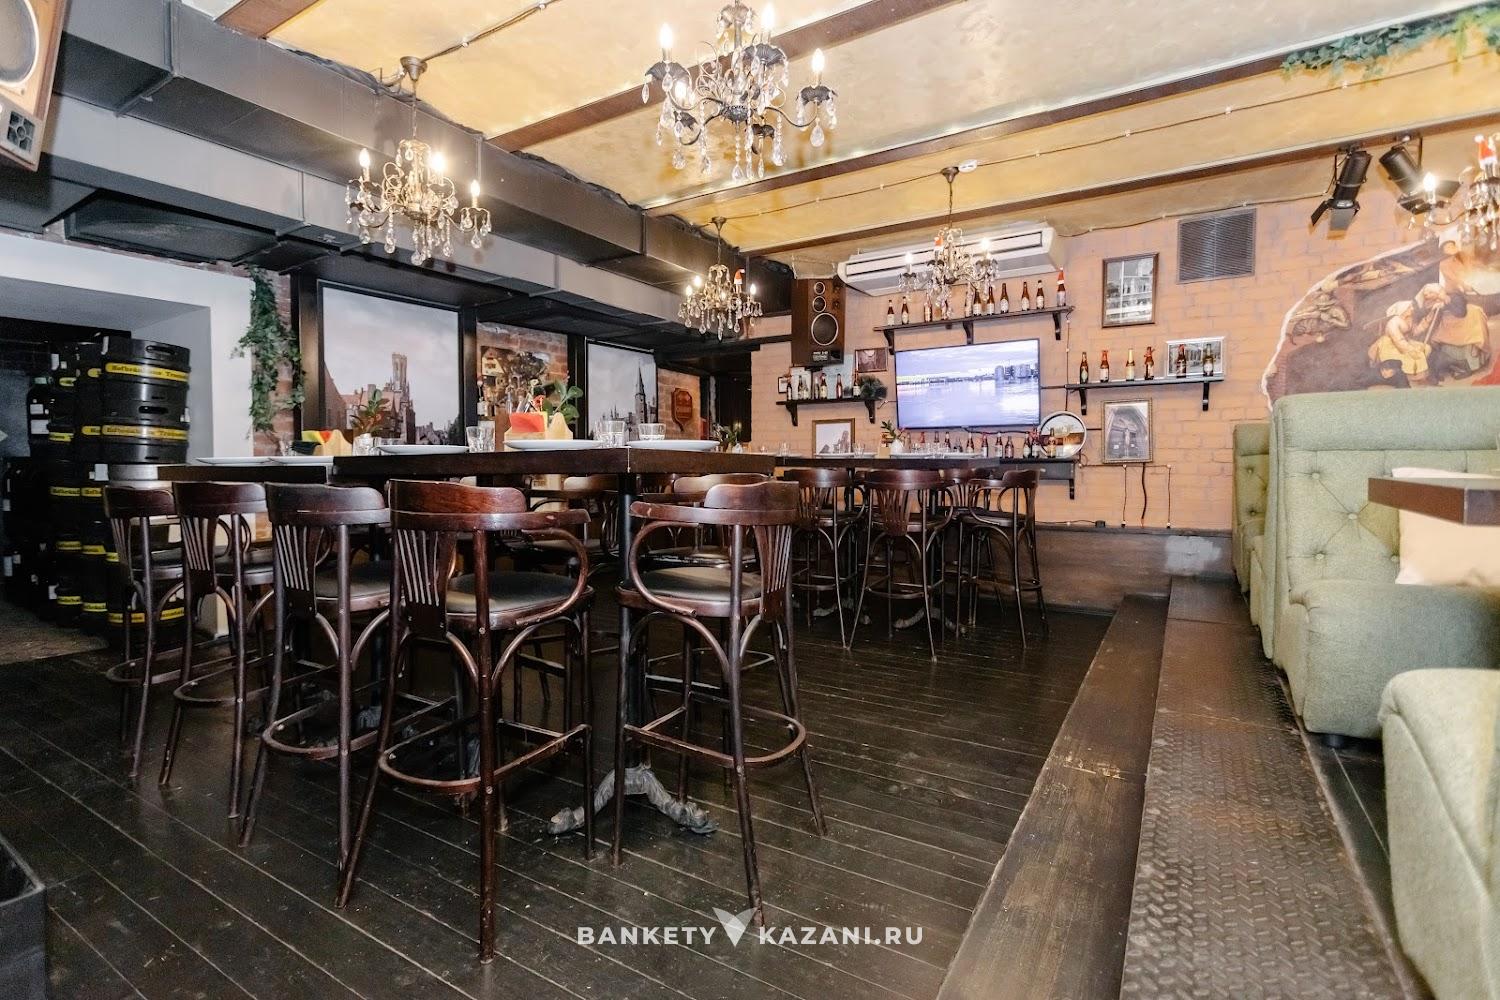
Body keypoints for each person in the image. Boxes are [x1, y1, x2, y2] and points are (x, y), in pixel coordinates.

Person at [1368, 300, 1429, 387]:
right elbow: (1399, 340)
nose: (1412, 308)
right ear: (1403, 310)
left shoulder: (1409, 319)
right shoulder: (1393, 322)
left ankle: (1419, 376)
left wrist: (1426, 322)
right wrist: (1411, 349)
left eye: (1412, 306)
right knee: (1412, 355)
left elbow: (1414, 332)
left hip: (1404, 342)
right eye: (1409, 307)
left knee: (1426, 348)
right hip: (1390, 345)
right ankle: (1410, 377)